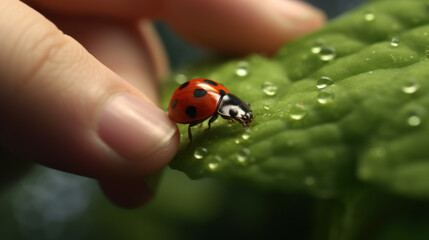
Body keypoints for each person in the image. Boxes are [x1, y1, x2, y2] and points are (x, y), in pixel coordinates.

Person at [0, 0, 325, 208]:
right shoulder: (214, 105)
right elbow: (208, 115)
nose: (237, 117)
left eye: (237, 114)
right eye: (236, 114)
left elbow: (219, 108)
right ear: (228, 110)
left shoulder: (219, 100)